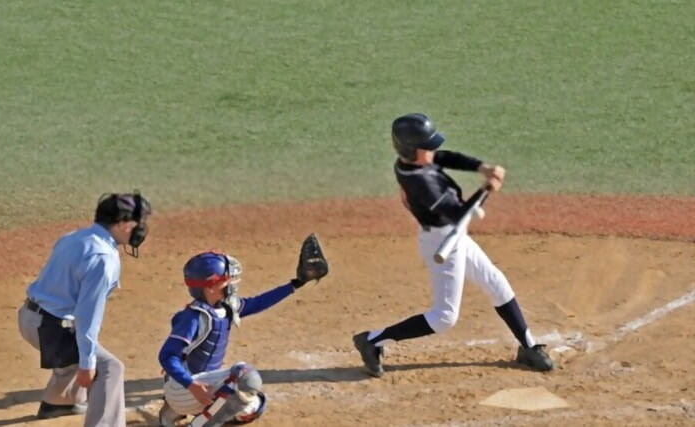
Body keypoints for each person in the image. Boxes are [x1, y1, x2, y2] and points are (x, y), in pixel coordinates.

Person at [353, 113, 554, 378]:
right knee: (444, 317)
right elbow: (459, 215)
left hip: (450, 234)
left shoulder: (412, 161)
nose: (433, 150)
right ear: (412, 150)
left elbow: (445, 157)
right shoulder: (420, 183)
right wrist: (487, 190)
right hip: (441, 240)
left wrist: (481, 167)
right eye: (428, 146)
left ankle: (528, 347)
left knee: (496, 282)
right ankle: (372, 340)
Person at [157, 234, 329, 427]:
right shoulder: (193, 317)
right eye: (226, 280)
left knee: (254, 404)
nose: (231, 284)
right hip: (186, 389)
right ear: (212, 286)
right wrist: (190, 385)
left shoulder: (224, 308)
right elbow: (166, 356)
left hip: (197, 389)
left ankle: (170, 415)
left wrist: (296, 283)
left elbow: (258, 303)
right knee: (245, 376)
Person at [18, 191, 151, 425]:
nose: (140, 229)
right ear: (121, 224)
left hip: (29, 316)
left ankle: (58, 403)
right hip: (49, 328)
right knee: (109, 367)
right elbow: (87, 316)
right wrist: (88, 364)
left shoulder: (75, 237)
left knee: (75, 350)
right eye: (137, 223)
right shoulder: (103, 259)